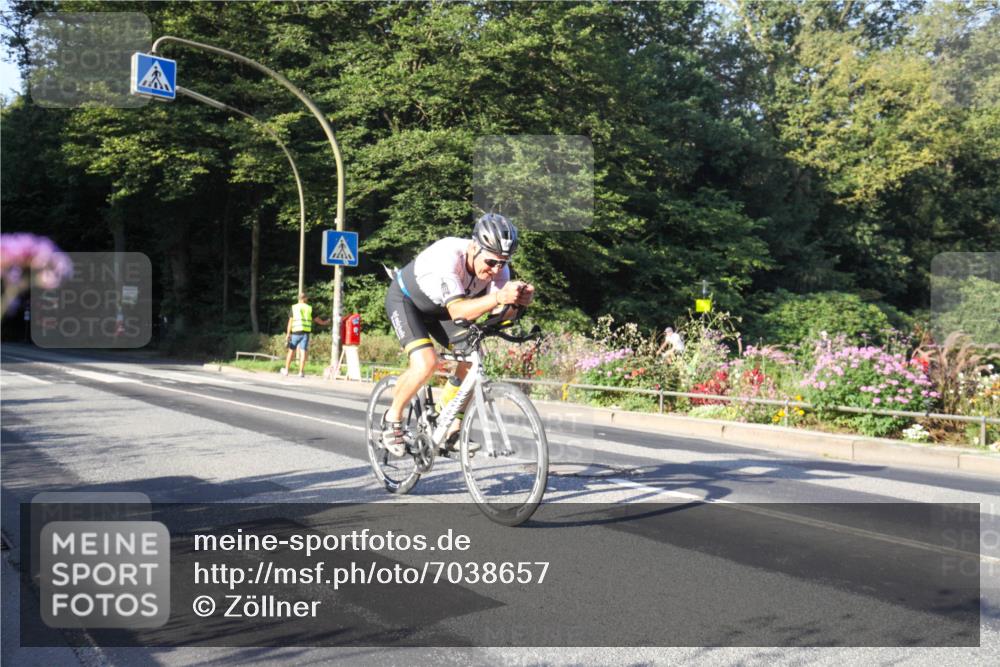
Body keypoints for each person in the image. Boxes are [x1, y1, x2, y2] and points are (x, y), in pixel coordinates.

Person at [382, 213, 535, 456]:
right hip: (407, 301)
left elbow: (499, 316)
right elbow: (459, 310)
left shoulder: (499, 271)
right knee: (426, 363)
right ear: (475, 247)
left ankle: (451, 425)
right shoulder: (449, 257)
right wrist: (498, 297)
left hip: (442, 310)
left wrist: (517, 304)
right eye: (491, 262)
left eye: (502, 263)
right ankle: (393, 418)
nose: (496, 270)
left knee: (472, 358)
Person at [281, 293, 331, 377]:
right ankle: (301, 372)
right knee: (303, 351)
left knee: (291, 350)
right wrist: (324, 323)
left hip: (296, 332)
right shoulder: (309, 308)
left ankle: (286, 370)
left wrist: (288, 334)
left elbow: (290, 322)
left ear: (299, 298)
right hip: (305, 333)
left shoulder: (294, 307)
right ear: (305, 298)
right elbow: (317, 319)